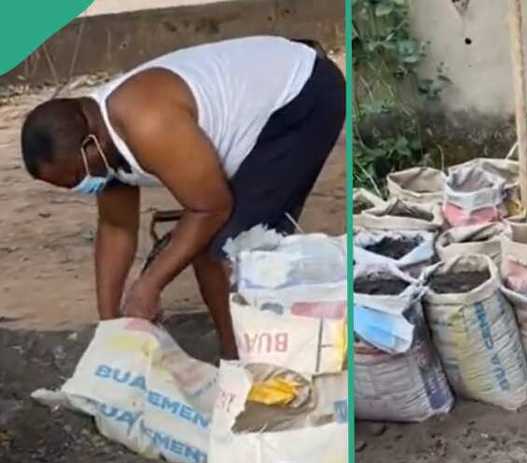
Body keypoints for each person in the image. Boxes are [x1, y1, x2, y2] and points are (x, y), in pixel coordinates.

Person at [19, 35, 345, 359]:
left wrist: (149, 286)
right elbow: (116, 229)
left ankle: (247, 361)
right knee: (206, 245)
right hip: (269, 95)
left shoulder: (146, 124)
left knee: (227, 252)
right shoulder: (101, 148)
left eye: (77, 178)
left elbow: (212, 207)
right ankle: (238, 356)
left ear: (90, 144)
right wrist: (110, 325)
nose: (82, 187)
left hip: (301, 97)